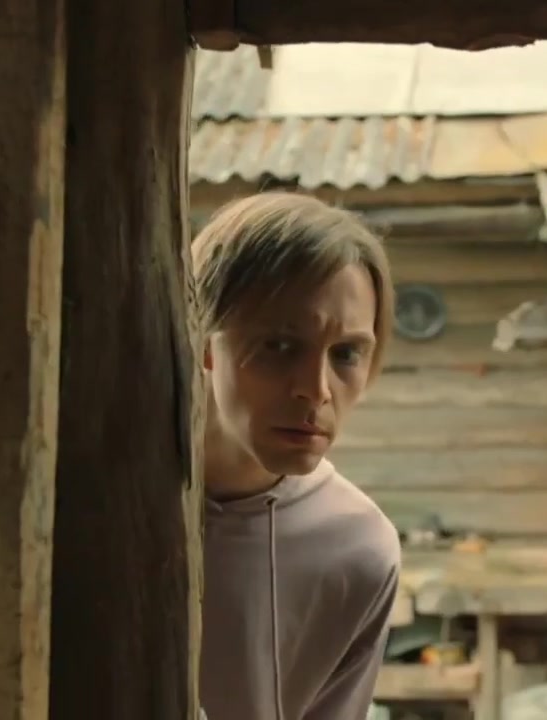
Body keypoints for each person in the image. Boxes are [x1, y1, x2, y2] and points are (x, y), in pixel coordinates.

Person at [194, 192, 402, 720]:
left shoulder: (357, 551)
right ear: (204, 341)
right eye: (281, 346)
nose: (317, 390)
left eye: (347, 354)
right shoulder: (95, 503)